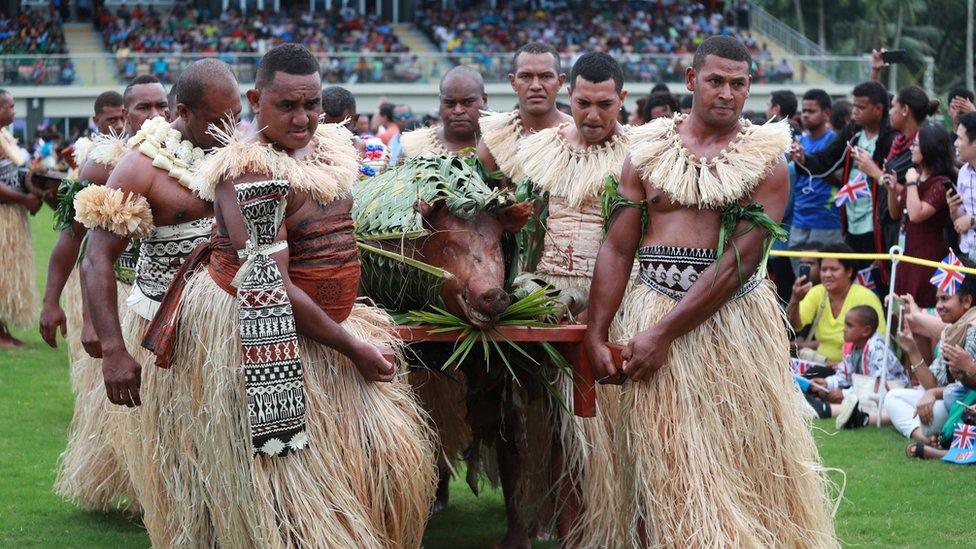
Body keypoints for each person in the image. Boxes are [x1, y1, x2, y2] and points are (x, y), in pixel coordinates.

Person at [142, 44, 436, 547]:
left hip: (330, 333)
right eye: (287, 106)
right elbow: (270, 284)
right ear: (257, 99)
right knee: (284, 490)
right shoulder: (248, 172)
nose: (303, 119)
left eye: (312, 104)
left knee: (373, 473)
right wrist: (354, 347)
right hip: (266, 334)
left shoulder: (330, 149)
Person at [585, 36, 837, 546]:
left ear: (750, 87)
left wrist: (663, 333)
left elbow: (739, 263)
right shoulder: (647, 151)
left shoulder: (767, 161)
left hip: (730, 327)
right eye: (715, 80)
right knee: (660, 460)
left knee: (739, 461)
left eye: (738, 84)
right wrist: (596, 332)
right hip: (648, 305)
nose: (726, 93)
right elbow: (617, 248)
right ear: (691, 79)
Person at [77, 59, 241, 545]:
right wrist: (112, 350)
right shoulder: (140, 166)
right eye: (219, 119)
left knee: (231, 450)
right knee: (182, 457)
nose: (231, 128)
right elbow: (95, 259)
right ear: (183, 112)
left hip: (229, 328)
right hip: (165, 334)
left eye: (237, 116)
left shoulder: (237, 153)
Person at [513, 51, 630, 547]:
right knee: (540, 424)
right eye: (583, 103)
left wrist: (600, 310)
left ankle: (598, 529)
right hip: (540, 299)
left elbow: (636, 242)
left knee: (596, 433)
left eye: (606, 104)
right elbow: (523, 226)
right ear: (570, 95)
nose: (594, 115)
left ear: (622, 99)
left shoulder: (640, 154)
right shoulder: (542, 149)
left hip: (613, 306)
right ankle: (540, 527)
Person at [46, 75, 169, 513]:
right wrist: (66, 309)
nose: (152, 117)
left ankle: (152, 494)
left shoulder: (181, 161)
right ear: (120, 118)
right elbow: (76, 243)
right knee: (116, 407)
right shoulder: (100, 166)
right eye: (140, 110)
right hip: (113, 295)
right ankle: (133, 488)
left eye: (160, 107)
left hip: (162, 303)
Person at [858, 281, 976, 460]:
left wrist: (968, 368)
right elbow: (933, 383)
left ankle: (932, 437)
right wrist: (912, 349)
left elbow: (965, 389)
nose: (938, 306)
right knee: (893, 397)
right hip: (951, 400)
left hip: (961, 405)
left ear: (967, 301)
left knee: (930, 409)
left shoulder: (972, 328)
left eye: (945, 299)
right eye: (937, 299)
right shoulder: (951, 331)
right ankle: (924, 438)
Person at [792, 81, 898, 256]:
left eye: (861, 107)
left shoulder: (891, 138)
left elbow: (896, 184)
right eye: (854, 106)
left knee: (877, 277)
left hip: (878, 223)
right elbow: (827, 158)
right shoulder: (853, 132)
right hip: (851, 220)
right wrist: (803, 158)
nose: (854, 111)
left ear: (879, 109)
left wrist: (875, 171)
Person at [477, 41, 573, 188]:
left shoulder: (576, 133)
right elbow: (478, 199)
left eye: (546, 76)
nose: (535, 86)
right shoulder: (495, 136)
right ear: (513, 82)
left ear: (560, 81)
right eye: (526, 76)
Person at [885, 123, 954, 307]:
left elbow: (917, 214)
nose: (911, 148)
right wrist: (892, 190)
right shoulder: (915, 177)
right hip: (907, 249)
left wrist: (910, 184)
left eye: (916, 144)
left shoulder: (940, 182)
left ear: (929, 147)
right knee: (903, 308)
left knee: (921, 305)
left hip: (927, 254)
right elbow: (895, 214)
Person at [788, 243, 886, 363]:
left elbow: (879, 341)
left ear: (849, 271)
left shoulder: (866, 297)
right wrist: (795, 299)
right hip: (820, 362)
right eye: (824, 269)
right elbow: (795, 325)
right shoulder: (817, 292)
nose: (827, 275)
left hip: (855, 367)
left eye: (833, 269)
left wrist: (846, 367)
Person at [0, 88, 40, 348]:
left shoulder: (5, 137)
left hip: (11, 215)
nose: (14, 111)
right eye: (11, 106)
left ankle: (2, 330)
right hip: (3, 215)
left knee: (6, 273)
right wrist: (24, 199)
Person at [810, 305, 906, 410]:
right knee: (825, 391)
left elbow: (878, 385)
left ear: (866, 331)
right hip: (865, 391)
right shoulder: (854, 346)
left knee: (838, 399)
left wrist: (845, 394)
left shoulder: (877, 349)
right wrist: (827, 383)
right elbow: (845, 376)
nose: (844, 329)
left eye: (849, 326)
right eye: (845, 324)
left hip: (892, 394)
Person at [790, 89, 842, 262]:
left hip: (825, 220)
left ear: (826, 113)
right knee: (801, 282)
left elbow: (841, 178)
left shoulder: (834, 142)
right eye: (803, 111)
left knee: (823, 279)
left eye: (811, 111)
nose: (805, 115)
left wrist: (809, 164)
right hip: (798, 221)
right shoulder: (799, 143)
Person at [401, 65, 486, 158]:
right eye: (449, 103)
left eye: (467, 102)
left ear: (484, 100)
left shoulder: (501, 148)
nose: (458, 111)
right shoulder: (414, 148)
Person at [948, 112, 976, 263]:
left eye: (960, 138)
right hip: (966, 253)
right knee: (941, 285)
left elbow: (968, 220)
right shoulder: (964, 172)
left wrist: (972, 221)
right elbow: (960, 219)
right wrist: (954, 209)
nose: (955, 143)